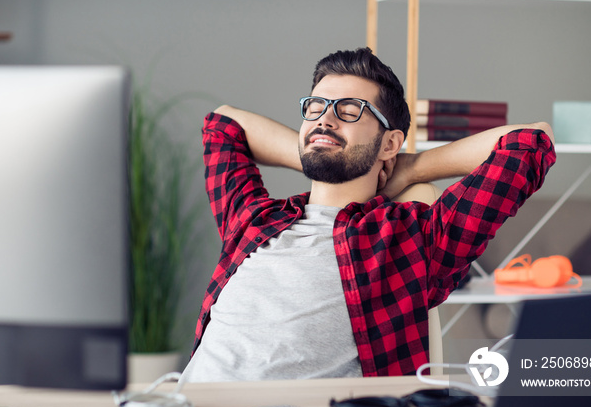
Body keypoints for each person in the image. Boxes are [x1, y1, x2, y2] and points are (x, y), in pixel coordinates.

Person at [181, 47, 555, 382]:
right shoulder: (253, 219)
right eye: (316, 108)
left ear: (390, 141)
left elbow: (531, 142)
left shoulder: (413, 240)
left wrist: (409, 167)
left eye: (349, 110)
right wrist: (323, 150)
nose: (325, 120)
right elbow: (222, 125)